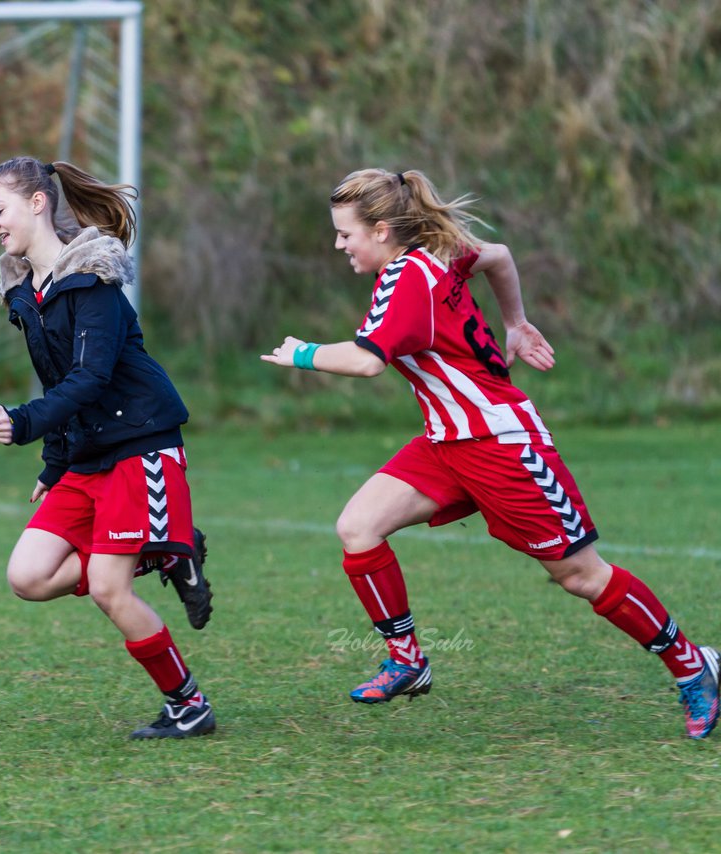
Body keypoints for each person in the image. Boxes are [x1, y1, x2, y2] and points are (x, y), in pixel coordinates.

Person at [261, 167, 718, 739]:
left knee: (579, 574)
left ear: (380, 231)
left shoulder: (407, 281)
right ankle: (408, 661)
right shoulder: (437, 253)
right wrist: (517, 323)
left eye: (345, 234)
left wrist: (301, 354)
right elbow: (498, 256)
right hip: (445, 441)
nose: (338, 245)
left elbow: (367, 359)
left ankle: (693, 665)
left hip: (502, 444)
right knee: (358, 527)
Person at [0, 156, 215, 739]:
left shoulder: (94, 283)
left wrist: (27, 422)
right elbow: (63, 381)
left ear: (38, 203)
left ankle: (188, 706)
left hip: (141, 448)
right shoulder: (25, 293)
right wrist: (54, 461)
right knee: (28, 576)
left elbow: (90, 379)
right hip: (87, 456)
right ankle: (162, 550)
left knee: (110, 590)